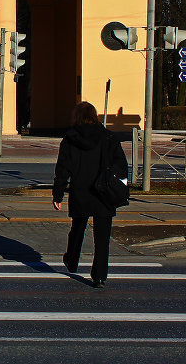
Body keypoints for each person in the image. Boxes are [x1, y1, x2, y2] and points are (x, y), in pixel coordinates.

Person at [52, 101, 128, 289]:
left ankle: (72, 259)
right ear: (94, 116)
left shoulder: (70, 139)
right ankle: (99, 276)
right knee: (102, 237)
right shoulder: (108, 137)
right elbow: (121, 164)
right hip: (104, 192)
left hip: (80, 190)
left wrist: (58, 195)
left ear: (76, 117)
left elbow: (63, 168)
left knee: (78, 227)